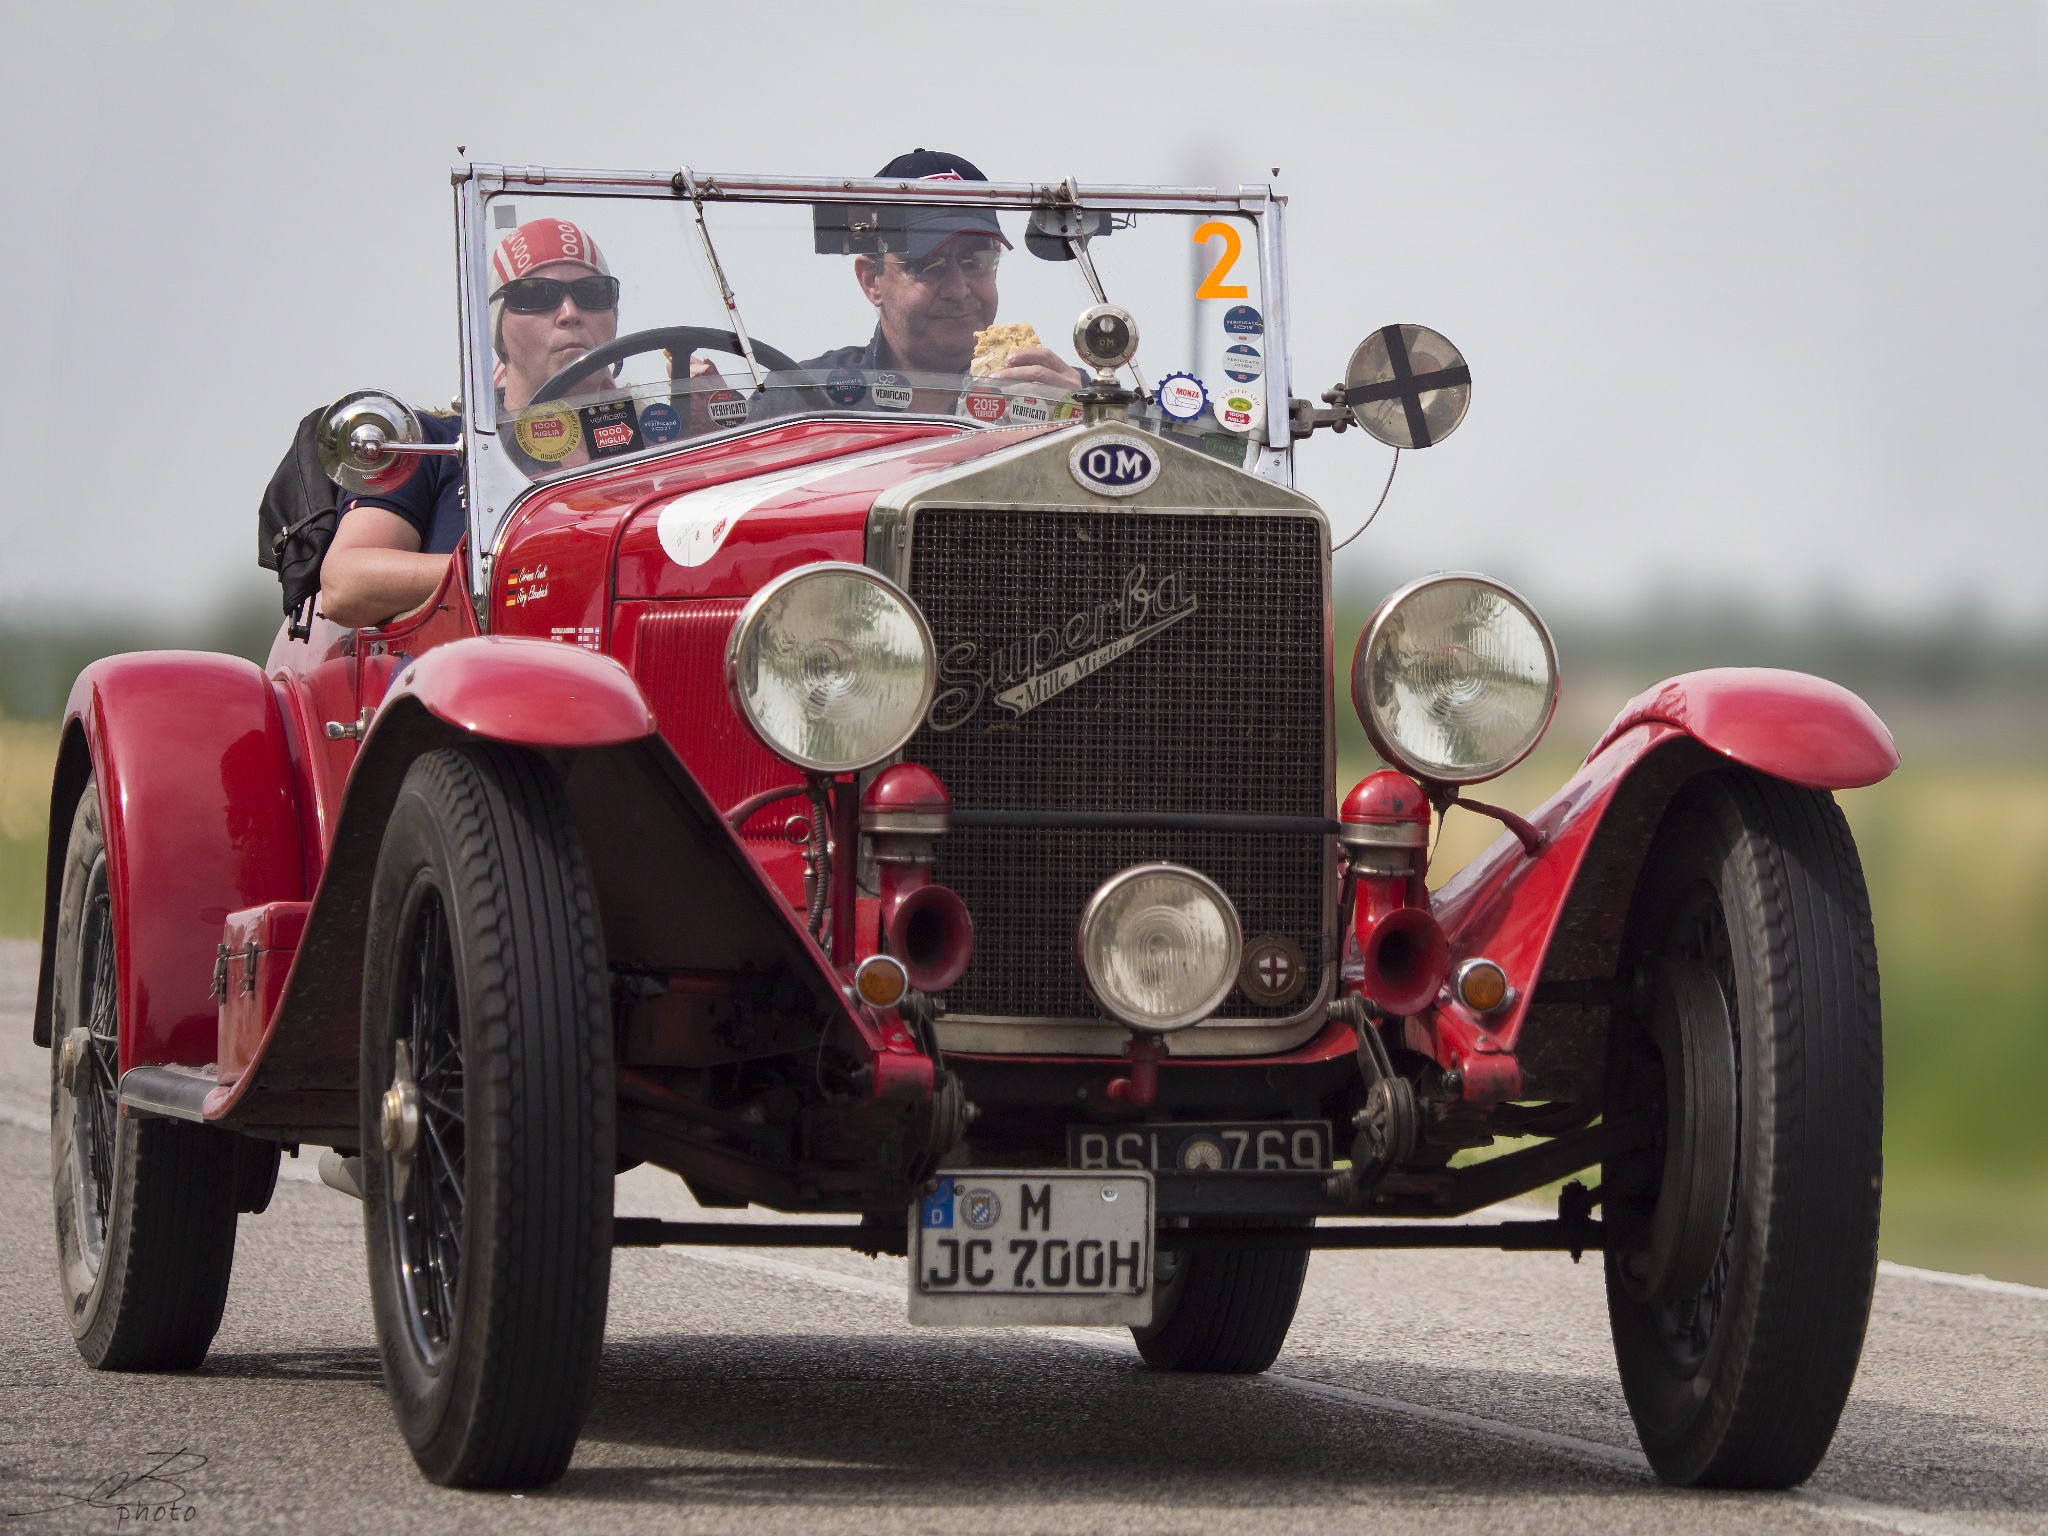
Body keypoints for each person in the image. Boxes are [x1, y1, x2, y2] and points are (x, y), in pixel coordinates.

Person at [320, 216, 710, 627]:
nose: (570, 312)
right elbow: (346, 585)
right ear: (498, 329)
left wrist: (717, 437)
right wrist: (532, 569)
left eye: (592, 293)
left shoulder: (666, 443)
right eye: (537, 295)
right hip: (482, 676)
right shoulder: (442, 444)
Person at [798, 150, 1086, 397]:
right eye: (925, 265)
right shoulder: (806, 394)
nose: (958, 290)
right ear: (871, 279)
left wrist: (1079, 419)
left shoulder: (1066, 394)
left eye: (976, 260)